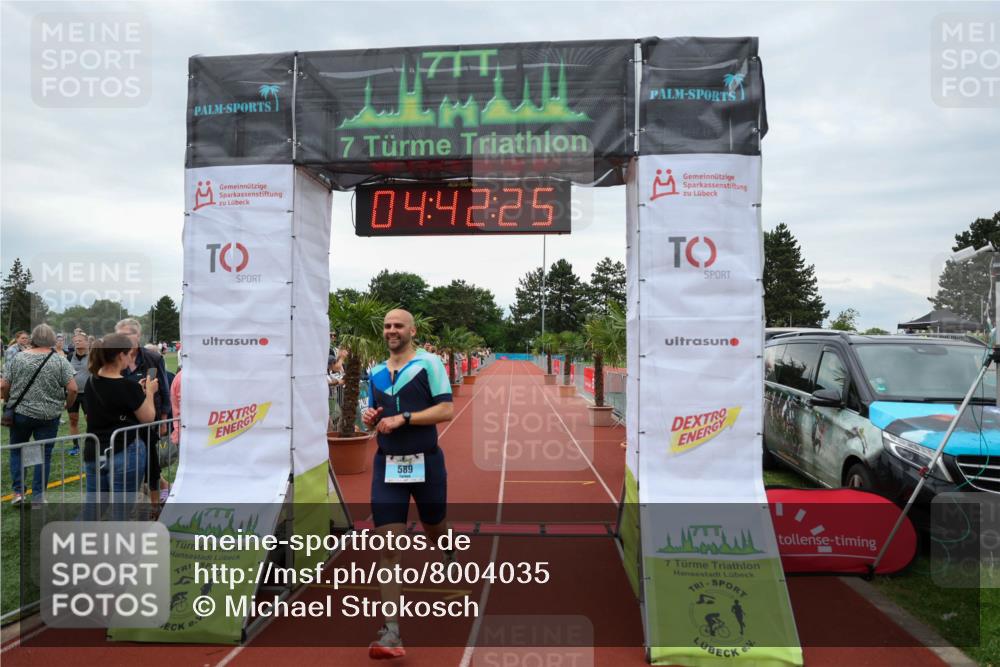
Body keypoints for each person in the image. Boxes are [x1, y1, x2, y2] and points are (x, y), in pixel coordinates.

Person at [361, 309, 454, 660]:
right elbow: (372, 416)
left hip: (427, 463)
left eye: (398, 325)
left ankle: (447, 547)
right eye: (386, 326)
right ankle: (392, 633)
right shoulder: (375, 372)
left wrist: (406, 418)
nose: (391, 331)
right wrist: (371, 418)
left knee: (435, 528)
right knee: (388, 547)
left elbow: (446, 411)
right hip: (388, 467)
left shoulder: (429, 364)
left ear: (412, 330)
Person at [0, 324, 77, 504]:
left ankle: (18, 492)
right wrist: (67, 405)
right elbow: (73, 388)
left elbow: (3, 385)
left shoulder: (18, 358)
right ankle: (38, 496)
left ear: (33, 338)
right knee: (44, 454)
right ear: (51, 339)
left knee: (17, 451)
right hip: (49, 416)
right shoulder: (59, 360)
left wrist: (9, 400)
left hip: (20, 413)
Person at [82, 334, 157, 517]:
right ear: (120, 356)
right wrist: (150, 393)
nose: (131, 359)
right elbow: (148, 417)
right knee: (121, 511)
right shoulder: (126, 386)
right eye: (130, 355)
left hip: (95, 451)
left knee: (93, 507)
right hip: (124, 451)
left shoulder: (91, 381)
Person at [114, 318, 171, 509]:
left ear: (138, 336)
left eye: (127, 334)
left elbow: (163, 388)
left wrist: (163, 419)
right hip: (122, 420)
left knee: (151, 460)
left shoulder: (153, 359)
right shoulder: (114, 359)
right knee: (126, 460)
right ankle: (139, 494)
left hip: (149, 418)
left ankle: (155, 502)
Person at [66, 332, 91, 455]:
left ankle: (92, 445)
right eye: (75, 341)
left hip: (88, 393)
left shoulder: (94, 356)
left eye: (80, 340)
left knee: (90, 420)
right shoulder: (70, 356)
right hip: (73, 393)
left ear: (87, 342)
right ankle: (76, 446)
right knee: (73, 420)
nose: (77, 342)